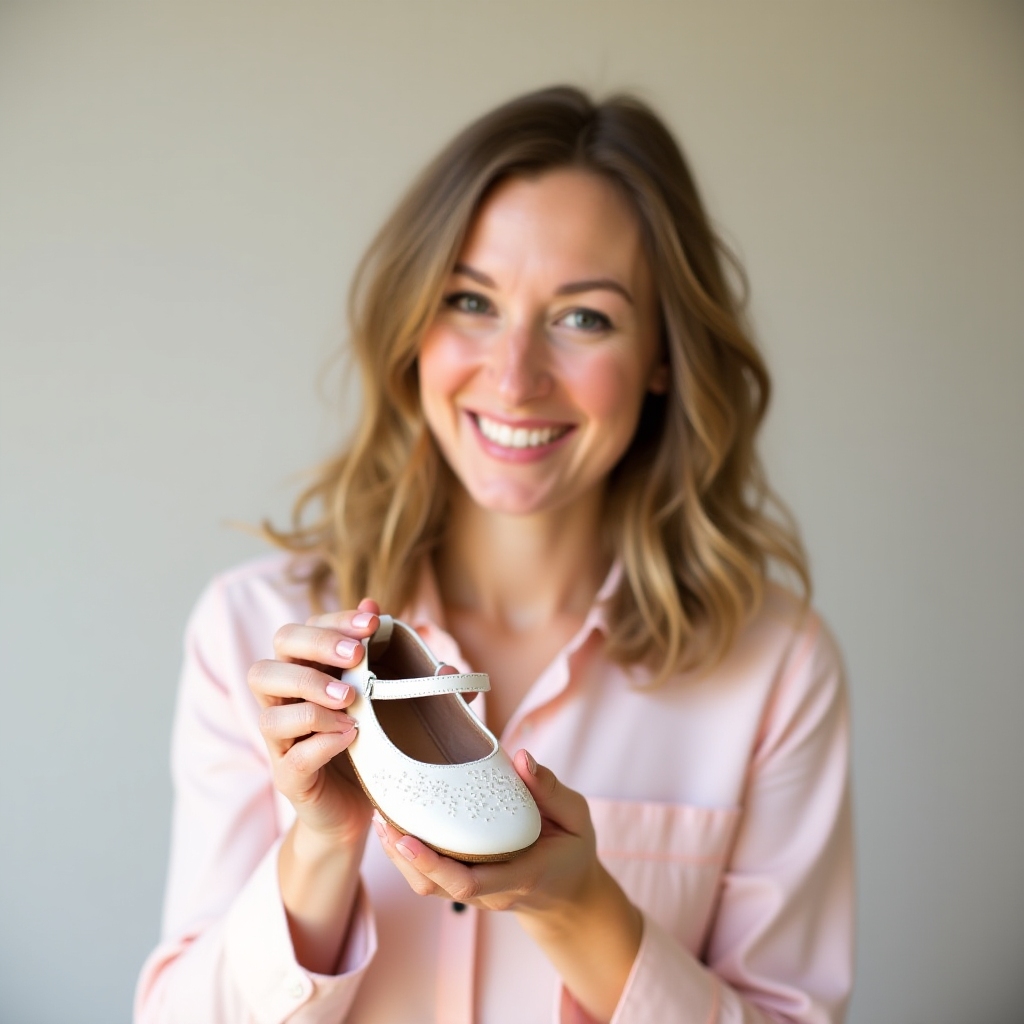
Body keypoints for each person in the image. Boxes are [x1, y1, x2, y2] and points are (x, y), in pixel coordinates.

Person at [135, 86, 853, 1024]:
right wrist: (319, 844)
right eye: (471, 302)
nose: (514, 379)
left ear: (663, 357)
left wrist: (578, 908)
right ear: (413, 329)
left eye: (584, 318)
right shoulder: (251, 634)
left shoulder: (775, 669)